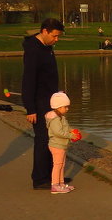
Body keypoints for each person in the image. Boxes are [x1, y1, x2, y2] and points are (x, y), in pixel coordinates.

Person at [22, 18, 64, 190]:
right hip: (39, 103)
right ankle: (40, 179)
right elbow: (28, 80)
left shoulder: (47, 48)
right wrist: (30, 108)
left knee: (51, 139)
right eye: (54, 36)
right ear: (45, 31)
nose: (56, 40)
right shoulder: (33, 50)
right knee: (42, 140)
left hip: (50, 100)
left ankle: (51, 176)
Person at [45, 91, 77, 194]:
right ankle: (55, 185)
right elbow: (58, 132)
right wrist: (70, 135)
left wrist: (70, 130)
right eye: (65, 107)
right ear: (58, 107)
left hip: (61, 145)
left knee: (62, 165)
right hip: (56, 145)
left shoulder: (61, 117)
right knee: (57, 164)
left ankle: (61, 183)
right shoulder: (55, 119)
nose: (67, 109)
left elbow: (65, 128)